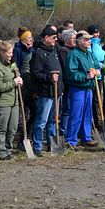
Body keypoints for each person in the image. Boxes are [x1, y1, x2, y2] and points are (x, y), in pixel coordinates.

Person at [29, 26, 63, 157]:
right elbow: (35, 73)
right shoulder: (38, 53)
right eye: (53, 37)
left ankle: (52, 144)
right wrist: (49, 78)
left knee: (53, 121)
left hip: (57, 92)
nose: (55, 40)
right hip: (45, 93)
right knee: (42, 121)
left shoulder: (54, 50)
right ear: (46, 38)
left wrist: (61, 87)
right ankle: (37, 146)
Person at [65, 30, 100, 149]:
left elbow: (96, 65)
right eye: (86, 39)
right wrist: (85, 76)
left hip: (89, 88)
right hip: (78, 89)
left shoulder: (89, 54)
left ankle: (86, 137)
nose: (89, 41)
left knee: (87, 114)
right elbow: (71, 73)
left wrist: (96, 71)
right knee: (76, 114)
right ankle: (71, 140)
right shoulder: (73, 54)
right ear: (79, 42)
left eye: (89, 39)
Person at [0, 40, 22, 159]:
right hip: (1, 102)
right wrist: (13, 83)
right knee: (1, 128)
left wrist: (19, 79)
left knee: (12, 128)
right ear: (2, 52)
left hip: (14, 101)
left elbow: (16, 74)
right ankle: (0, 152)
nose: (11, 55)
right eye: (9, 53)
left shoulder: (11, 63)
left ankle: (8, 149)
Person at [57, 29, 77, 136]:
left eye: (75, 38)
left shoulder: (76, 50)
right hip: (68, 84)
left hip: (76, 84)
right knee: (67, 109)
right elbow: (65, 67)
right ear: (66, 39)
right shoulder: (63, 50)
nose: (74, 40)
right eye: (71, 38)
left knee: (74, 109)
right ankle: (63, 131)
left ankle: (72, 131)